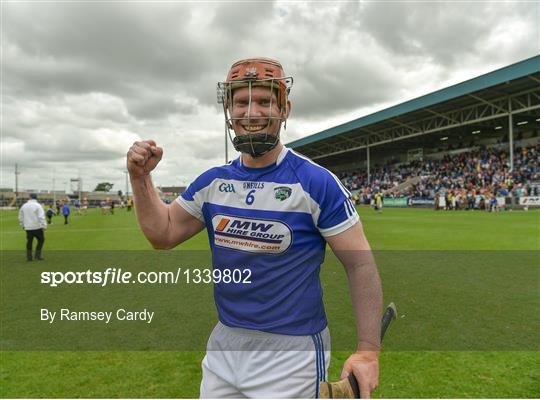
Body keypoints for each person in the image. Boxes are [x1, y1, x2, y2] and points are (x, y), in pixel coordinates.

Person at [127, 57, 382, 398]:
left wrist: (368, 350)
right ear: (229, 111)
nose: (251, 112)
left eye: (264, 101)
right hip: (225, 343)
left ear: (284, 109)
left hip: (292, 350)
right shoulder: (212, 182)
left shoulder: (316, 183)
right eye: (242, 102)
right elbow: (164, 233)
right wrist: (140, 177)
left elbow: (360, 264)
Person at [18, 193, 47, 261]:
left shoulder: (24, 205)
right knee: (41, 240)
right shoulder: (38, 205)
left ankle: (29, 257)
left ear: (29, 197)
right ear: (36, 198)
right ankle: (37, 255)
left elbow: (20, 216)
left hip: (28, 227)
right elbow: (41, 217)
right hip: (37, 227)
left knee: (29, 241)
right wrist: (44, 225)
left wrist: (22, 225)